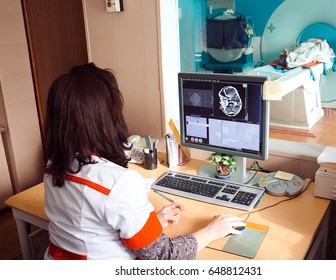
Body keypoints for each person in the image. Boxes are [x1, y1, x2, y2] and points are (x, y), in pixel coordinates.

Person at [43, 62, 245, 260]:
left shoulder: (54, 166)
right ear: (106, 117)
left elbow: (90, 226)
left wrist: (149, 222)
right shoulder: (117, 182)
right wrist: (212, 231)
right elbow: (164, 255)